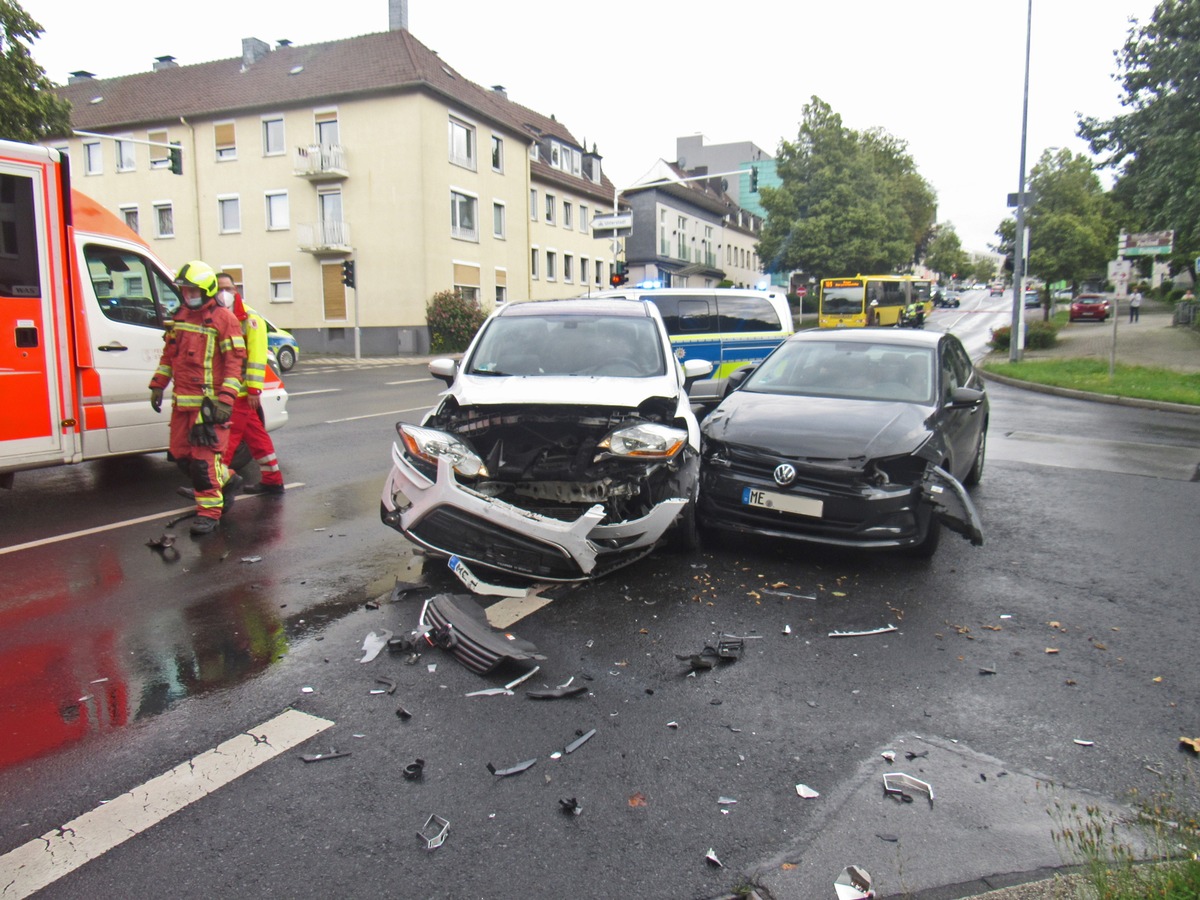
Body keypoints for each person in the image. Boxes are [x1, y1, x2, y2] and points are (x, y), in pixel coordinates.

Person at [150, 261, 246, 535]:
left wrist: (226, 400)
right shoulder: (180, 317)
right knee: (182, 457)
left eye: (193, 290)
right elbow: (170, 356)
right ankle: (227, 480)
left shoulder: (225, 320)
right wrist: (158, 384)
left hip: (209, 407)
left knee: (204, 465)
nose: (188, 295)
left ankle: (209, 513)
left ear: (207, 290)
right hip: (183, 403)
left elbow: (233, 363)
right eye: (185, 290)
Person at [217, 272, 286, 495]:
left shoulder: (249, 319)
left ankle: (214, 483)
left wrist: (255, 389)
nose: (223, 293)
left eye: (228, 288)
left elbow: (257, 356)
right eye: (219, 289)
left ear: (237, 291)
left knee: (228, 436)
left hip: (243, 390)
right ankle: (272, 479)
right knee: (256, 435)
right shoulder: (219, 315)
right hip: (229, 388)